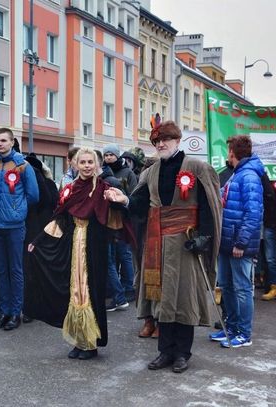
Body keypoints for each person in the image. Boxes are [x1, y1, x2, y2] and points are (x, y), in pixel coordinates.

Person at [105, 121, 222, 373]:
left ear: (177, 140)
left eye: (165, 140)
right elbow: (138, 204)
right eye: (156, 141)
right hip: (157, 241)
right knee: (162, 297)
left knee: (183, 296)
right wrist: (121, 199)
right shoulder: (151, 172)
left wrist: (204, 237)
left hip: (185, 241)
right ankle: (165, 351)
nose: (160, 144)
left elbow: (209, 207)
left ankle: (182, 353)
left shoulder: (197, 168)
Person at [26, 148, 126, 360]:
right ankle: (79, 340)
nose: (87, 166)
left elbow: (115, 220)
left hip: (94, 248)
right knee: (75, 291)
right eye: (83, 162)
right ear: (75, 164)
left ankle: (91, 343)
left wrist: (117, 202)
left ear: (97, 164)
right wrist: (38, 241)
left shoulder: (104, 188)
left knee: (90, 292)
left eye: (91, 162)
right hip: (73, 246)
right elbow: (60, 218)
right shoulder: (70, 189)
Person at [209, 135, 264, 348]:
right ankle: (229, 328)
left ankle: (244, 334)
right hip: (226, 242)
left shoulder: (248, 176)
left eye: (228, 150)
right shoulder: (237, 174)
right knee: (226, 286)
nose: (226, 154)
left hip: (238, 245)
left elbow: (253, 213)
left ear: (232, 152)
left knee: (242, 288)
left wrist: (241, 243)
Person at [0, 128, 39, 331]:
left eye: (3, 140)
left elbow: (33, 196)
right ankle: (4, 310)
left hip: (14, 225)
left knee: (15, 270)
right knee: (0, 270)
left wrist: (17, 209)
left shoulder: (23, 165)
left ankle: (16, 312)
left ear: (12, 142)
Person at [22, 153, 58, 321]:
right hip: (45, 231)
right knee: (42, 268)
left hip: (33, 229)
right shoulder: (48, 181)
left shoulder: (32, 179)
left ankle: (31, 308)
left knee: (30, 269)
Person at [103, 144, 137, 306]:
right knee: (113, 256)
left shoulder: (127, 173)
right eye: (106, 154)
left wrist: (123, 201)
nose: (108, 157)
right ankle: (115, 288)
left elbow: (133, 194)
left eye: (111, 154)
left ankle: (128, 287)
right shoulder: (103, 173)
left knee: (125, 254)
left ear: (117, 156)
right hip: (109, 219)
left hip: (124, 217)